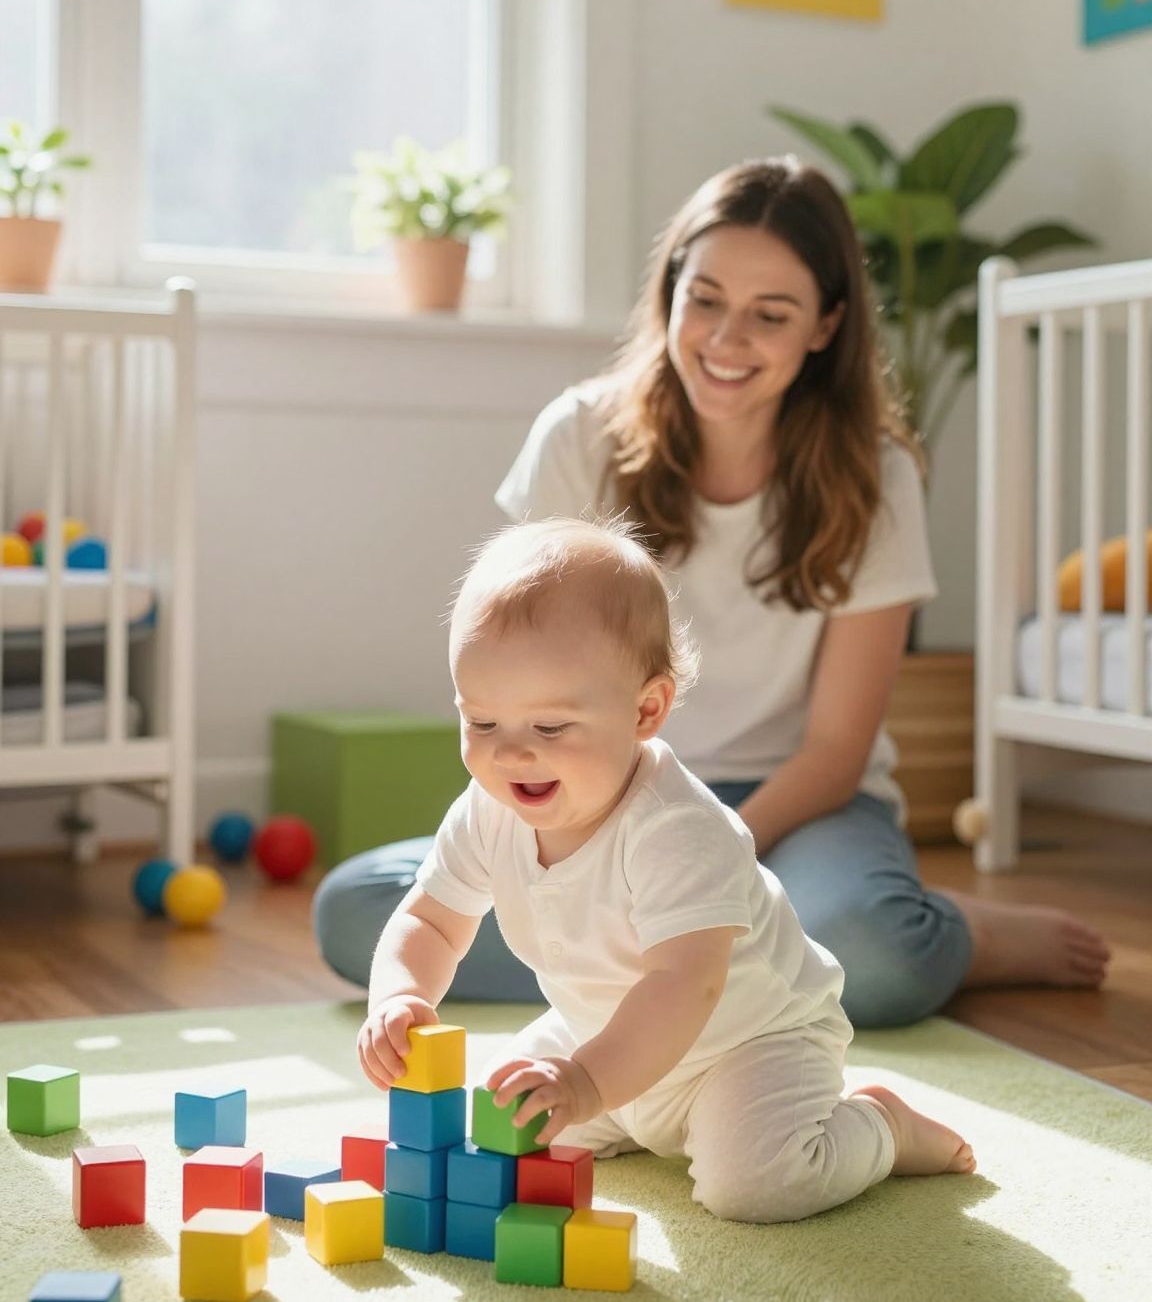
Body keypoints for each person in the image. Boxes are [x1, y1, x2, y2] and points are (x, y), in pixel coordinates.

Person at [315, 157, 1110, 1024]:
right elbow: (513, 669)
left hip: (800, 808)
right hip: (602, 787)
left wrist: (708, 865)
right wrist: (595, 860)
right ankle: (688, 973)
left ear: (824, 326)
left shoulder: (873, 476)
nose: (727, 340)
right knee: (359, 916)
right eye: (706, 299)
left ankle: (956, 934)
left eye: (770, 315)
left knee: (876, 955)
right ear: (670, 292)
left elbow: (837, 750)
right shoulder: (581, 435)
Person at [357, 516, 975, 1224]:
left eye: (550, 728)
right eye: (482, 723)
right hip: (606, 1031)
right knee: (500, 1124)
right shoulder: (488, 810)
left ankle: (880, 1128)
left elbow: (683, 984)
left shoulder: (678, 829)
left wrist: (586, 1082)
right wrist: (399, 998)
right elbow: (431, 920)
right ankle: (629, 1118)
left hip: (747, 1045)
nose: (510, 754)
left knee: (754, 1187)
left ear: (646, 709)